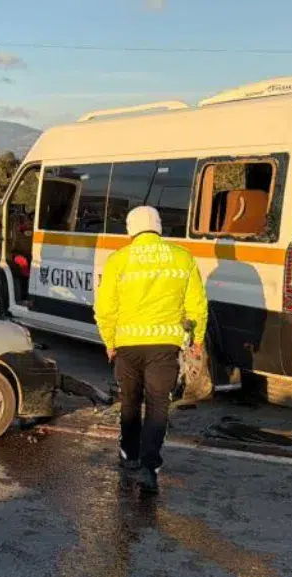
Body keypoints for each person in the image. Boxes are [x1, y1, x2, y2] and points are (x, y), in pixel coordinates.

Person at [94, 205, 208, 494]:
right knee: (158, 405)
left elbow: (105, 308)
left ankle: (129, 455)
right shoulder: (182, 257)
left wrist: (109, 342)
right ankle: (149, 467)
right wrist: (196, 340)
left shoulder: (118, 260)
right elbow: (197, 305)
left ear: (130, 230)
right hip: (164, 346)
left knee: (130, 401)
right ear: (159, 227)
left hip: (127, 345)